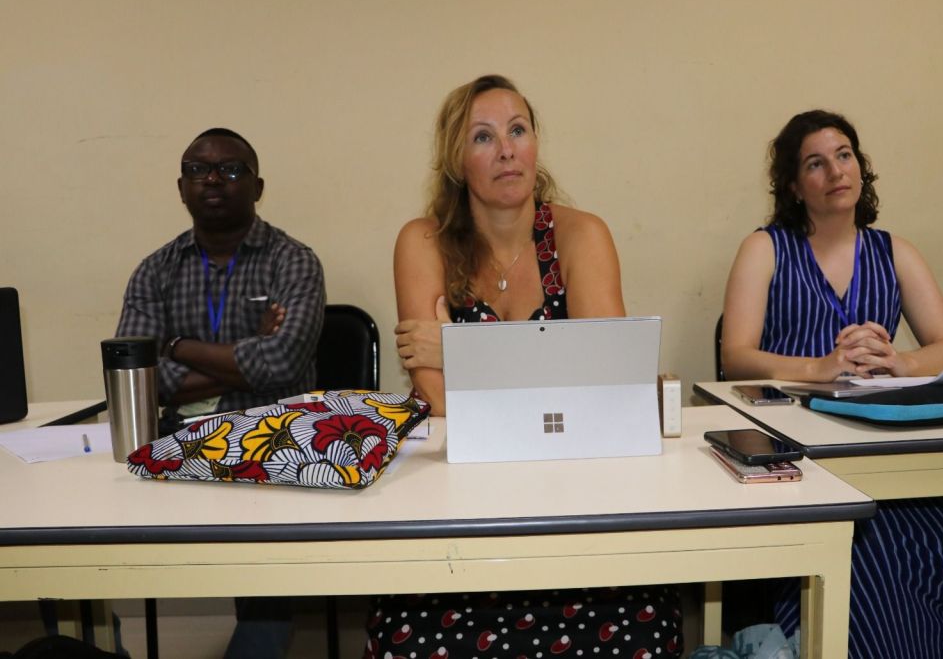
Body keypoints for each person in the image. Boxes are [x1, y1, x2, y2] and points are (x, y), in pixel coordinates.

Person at [375, 75, 681, 657]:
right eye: (483, 137)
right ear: (456, 160)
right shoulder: (423, 240)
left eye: (517, 131)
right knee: (410, 639)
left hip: (576, 492)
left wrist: (457, 350)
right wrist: (546, 369)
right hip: (463, 497)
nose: (506, 150)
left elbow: (607, 382)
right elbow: (438, 400)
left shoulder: (581, 235)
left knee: (637, 631)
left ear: (536, 145)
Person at [720, 109, 943, 658]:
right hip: (804, 450)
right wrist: (821, 366)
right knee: (868, 566)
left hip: (887, 439)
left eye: (844, 156)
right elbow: (735, 357)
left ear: (861, 166)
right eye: (815, 163)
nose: (836, 171)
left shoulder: (895, 251)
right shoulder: (765, 248)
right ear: (793, 185)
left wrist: (901, 362)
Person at [115, 127, 325, 659]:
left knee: (268, 560)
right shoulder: (154, 271)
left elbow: (284, 362)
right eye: (197, 170)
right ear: (180, 188)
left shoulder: (294, 261)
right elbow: (139, 378)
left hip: (274, 443)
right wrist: (250, 353)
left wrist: (176, 345)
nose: (212, 179)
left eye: (230, 169)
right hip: (178, 443)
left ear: (258, 187)